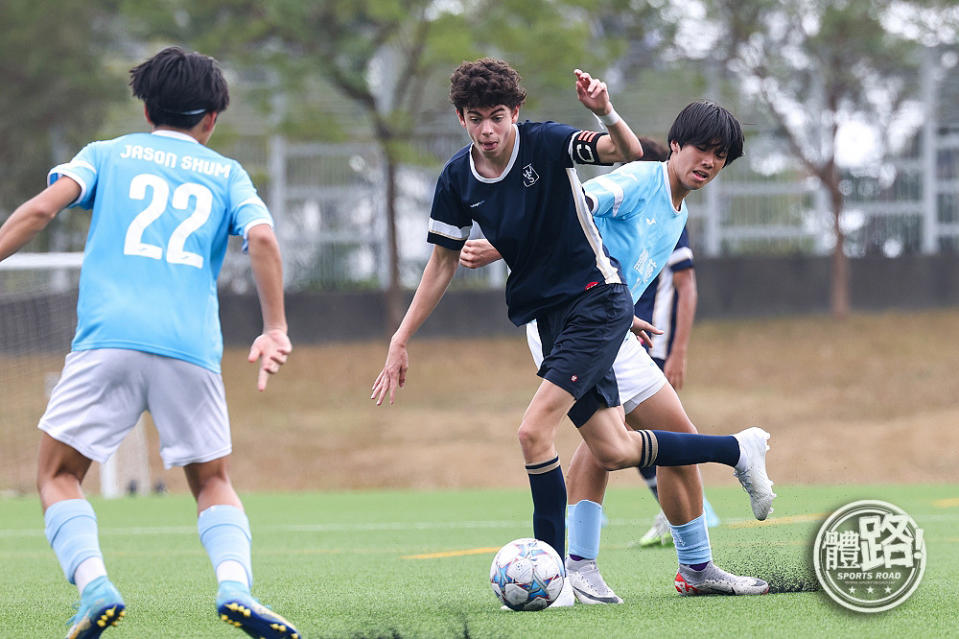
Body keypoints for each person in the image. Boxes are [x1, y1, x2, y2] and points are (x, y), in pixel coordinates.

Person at [371, 59, 775, 606]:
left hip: (597, 310)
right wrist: (403, 334)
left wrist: (616, 313)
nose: (487, 129)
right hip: (568, 313)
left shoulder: (656, 201)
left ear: (514, 113)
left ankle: (654, 565)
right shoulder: (630, 178)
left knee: (605, 441)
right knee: (607, 448)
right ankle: (724, 460)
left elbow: (590, 215)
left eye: (720, 157)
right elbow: (585, 200)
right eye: (475, 118)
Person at [0, 47, 301, 638]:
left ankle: (94, 588)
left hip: (107, 341)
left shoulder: (106, 155)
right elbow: (262, 241)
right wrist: (274, 329)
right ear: (212, 118)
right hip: (189, 349)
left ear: (144, 108)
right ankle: (235, 588)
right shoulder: (228, 174)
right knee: (212, 481)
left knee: (58, 474)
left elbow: (39, 210)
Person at [635, 225, 721, 548]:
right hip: (628, 341)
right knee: (630, 436)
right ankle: (678, 512)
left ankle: (692, 512)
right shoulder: (630, 207)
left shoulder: (668, 216)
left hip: (652, 344)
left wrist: (678, 351)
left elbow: (686, 286)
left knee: (642, 435)